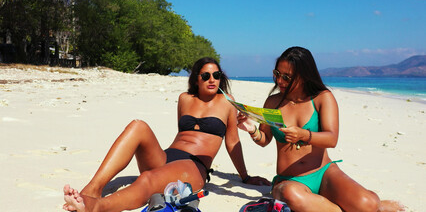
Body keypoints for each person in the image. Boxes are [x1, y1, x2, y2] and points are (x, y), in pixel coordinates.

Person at [63, 57, 271, 212]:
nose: (212, 79)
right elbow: (182, 134)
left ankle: (97, 207)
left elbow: (232, 143)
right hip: (167, 156)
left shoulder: (227, 103)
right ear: (196, 79)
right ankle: (93, 189)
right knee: (138, 125)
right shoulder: (184, 99)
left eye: (216, 75)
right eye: (205, 75)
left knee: (147, 179)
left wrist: (245, 177)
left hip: (193, 166)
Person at [237, 47, 405, 212]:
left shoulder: (322, 98)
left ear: (304, 77)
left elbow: (331, 139)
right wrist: (252, 129)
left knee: (367, 203)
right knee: (291, 194)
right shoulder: (273, 102)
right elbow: (264, 140)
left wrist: (303, 134)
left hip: (324, 173)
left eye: (287, 77)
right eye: (277, 74)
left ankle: (373, 204)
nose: (280, 81)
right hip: (289, 180)